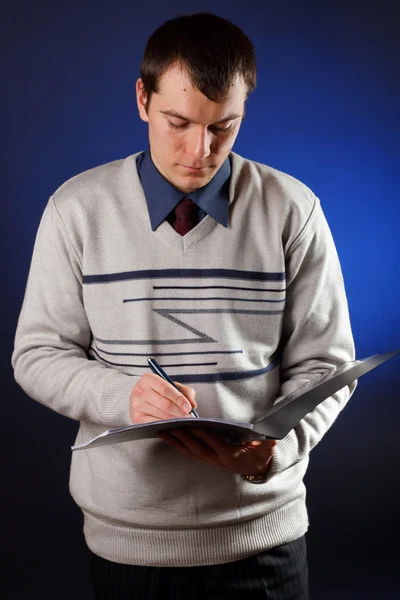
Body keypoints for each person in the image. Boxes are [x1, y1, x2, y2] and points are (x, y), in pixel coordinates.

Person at [12, 12, 356, 600]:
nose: (201, 151)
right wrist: (122, 396)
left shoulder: (294, 209)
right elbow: (37, 355)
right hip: (128, 543)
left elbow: (327, 365)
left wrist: (279, 449)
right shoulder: (75, 210)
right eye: (179, 122)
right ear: (142, 99)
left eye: (225, 126)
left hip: (263, 538)